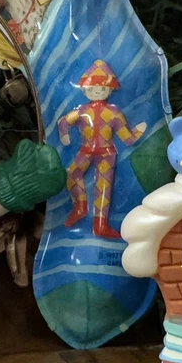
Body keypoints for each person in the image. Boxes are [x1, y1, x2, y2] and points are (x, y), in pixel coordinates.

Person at [59, 59, 147, 239]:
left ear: (110, 90)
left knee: (104, 187)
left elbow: (127, 138)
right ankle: (80, 206)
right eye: (93, 88)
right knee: (72, 173)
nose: (97, 92)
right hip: (86, 150)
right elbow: (63, 122)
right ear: (84, 90)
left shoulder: (113, 113)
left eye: (102, 88)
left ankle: (100, 225)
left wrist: (138, 131)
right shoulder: (83, 111)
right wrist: (64, 135)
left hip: (106, 153)